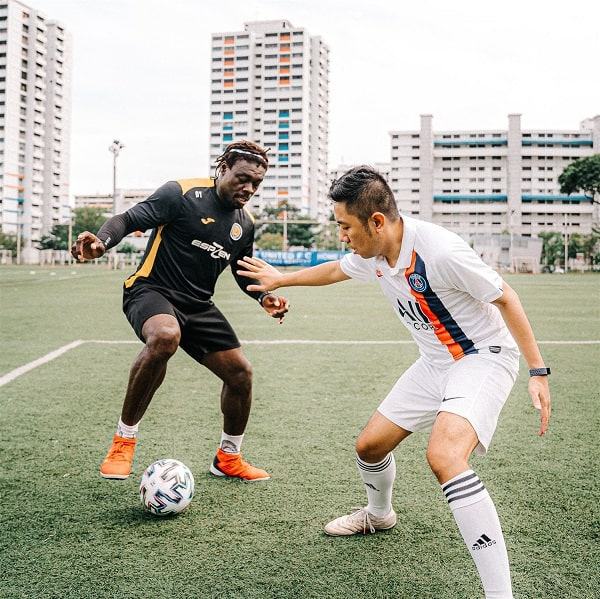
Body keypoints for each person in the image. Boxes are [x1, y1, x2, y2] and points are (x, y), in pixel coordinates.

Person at [236, 166, 551, 598]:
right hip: (435, 361)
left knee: (444, 456)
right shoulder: (376, 254)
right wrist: (280, 278)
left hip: (482, 358)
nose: (342, 236)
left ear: (377, 222)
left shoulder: (440, 252)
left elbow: (505, 296)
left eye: (346, 227)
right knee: (369, 446)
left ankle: (501, 595)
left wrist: (537, 372)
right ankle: (379, 514)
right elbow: (334, 271)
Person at [72, 140, 289, 482]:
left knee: (240, 375)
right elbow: (130, 218)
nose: (249, 188)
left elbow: (242, 269)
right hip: (151, 290)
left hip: (198, 305)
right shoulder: (182, 193)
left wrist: (265, 298)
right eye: (243, 178)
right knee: (165, 336)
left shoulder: (244, 223)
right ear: (223, 169)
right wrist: (102, 242)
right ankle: (123, 441)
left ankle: (228, 458)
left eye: (256, 183)